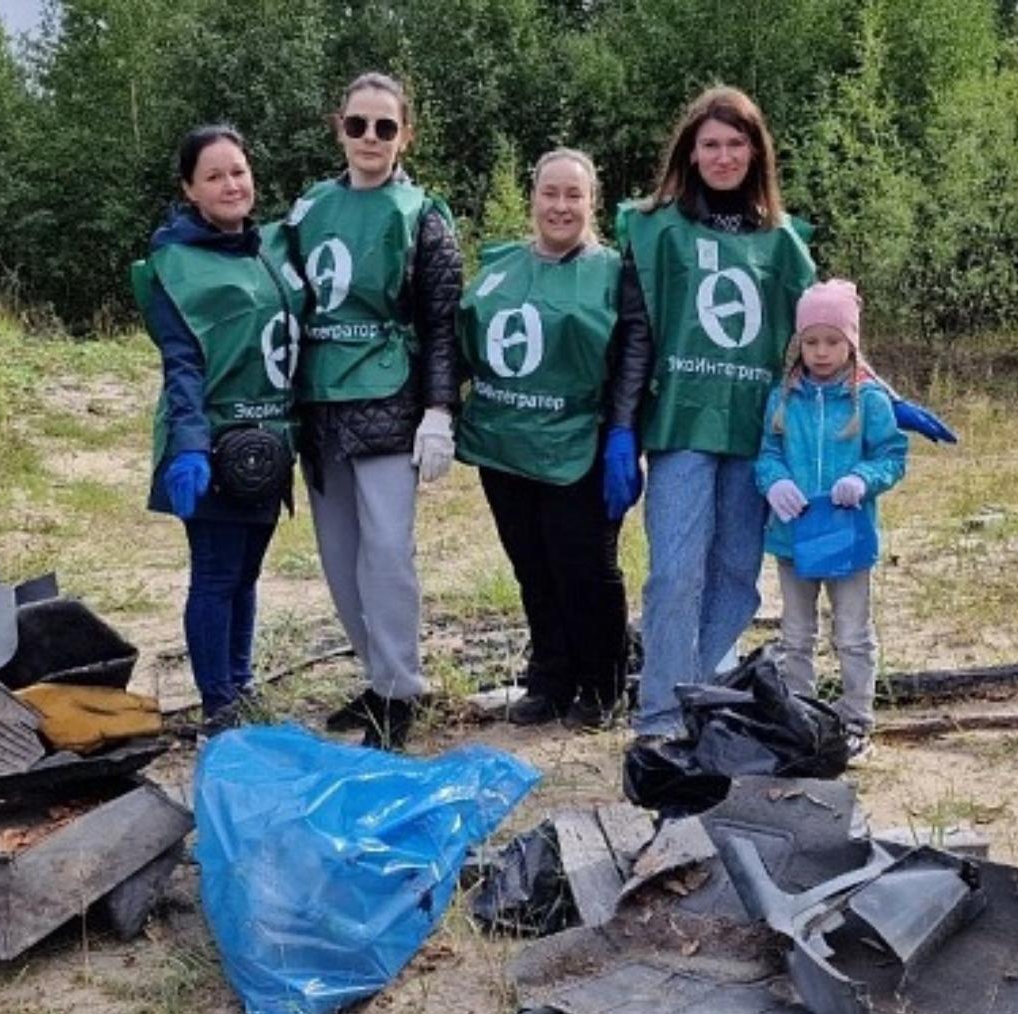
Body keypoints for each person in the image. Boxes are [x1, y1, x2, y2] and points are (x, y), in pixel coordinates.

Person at [608, 86, 816, 737]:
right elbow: (636, 334)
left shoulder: (782, 241)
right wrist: (621, 426)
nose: (723, 156)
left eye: (735, 143)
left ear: (756, 152)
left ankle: (699, 695)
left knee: (734, 574)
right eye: (710, 145)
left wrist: (877, 396)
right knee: (674, 572)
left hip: (755, 431)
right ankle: (661, 722)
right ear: (690, 154)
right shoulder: (656, 227)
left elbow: (821, 336)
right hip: (682, 425)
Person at [285, 71, 463, 749]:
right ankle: (376, 676)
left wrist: (439, 409)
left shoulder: (423, 216)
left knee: (387, 554)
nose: (370, 138)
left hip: (389, 403)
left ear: (404, 135)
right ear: (340, 127)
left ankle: (400, 692)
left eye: (384, 127)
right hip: (321, 405)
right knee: (339, 558)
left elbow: (442, 324)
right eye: (358, 124)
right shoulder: (308, 211)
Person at [454, 148, 650, 730]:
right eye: (550, 193)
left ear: (592, 201)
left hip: (580, 444)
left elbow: (635, 351)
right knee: (532, 565)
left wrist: (623, 431)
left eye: (574, 195)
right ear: (533, 196)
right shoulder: (498, 268)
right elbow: (462, 340)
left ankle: (602, 682)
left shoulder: (616, 273)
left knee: (585, 566)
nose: (560, 206)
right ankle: (550, 676)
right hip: (504, 443)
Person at [136, 124, 305, 736]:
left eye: (238, 171)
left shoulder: (265, 249)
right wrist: (189, 447)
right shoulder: (173, 264)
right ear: (189, 189)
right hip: (212, 445)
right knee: (215, 571)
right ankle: (218, 705)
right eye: (214, 175)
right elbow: (181, 363)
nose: (231, 184)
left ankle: (240, 684)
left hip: (267, 445)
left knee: (247, 573)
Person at [754, 279, 907, 758]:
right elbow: (767, 453)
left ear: (852, 342)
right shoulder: (782, 398)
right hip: (793, 537)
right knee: (795, 634)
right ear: (798, 343)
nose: (821, 352)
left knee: (852, 633)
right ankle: (801, 715)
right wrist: (774, 481)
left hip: (847, 537)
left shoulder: (870, 400)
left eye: (833, 341)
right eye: (811, 341)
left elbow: (891, 455)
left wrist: (863, 478)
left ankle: (856, 720)